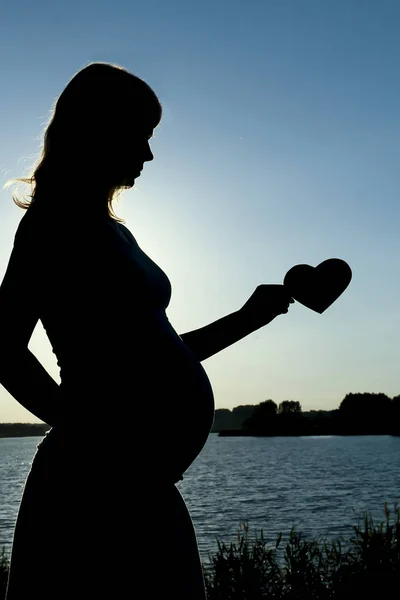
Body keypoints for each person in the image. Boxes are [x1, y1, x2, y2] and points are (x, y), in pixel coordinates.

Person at [0, 62, 293, 599]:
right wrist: (86, 428)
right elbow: (1, 347)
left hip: (137, 482)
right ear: (98, 129)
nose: (149, 154)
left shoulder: (110, 231)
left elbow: (159, 356)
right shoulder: (51, 223)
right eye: (142, 134)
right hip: (95, 489)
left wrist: (252, 316)